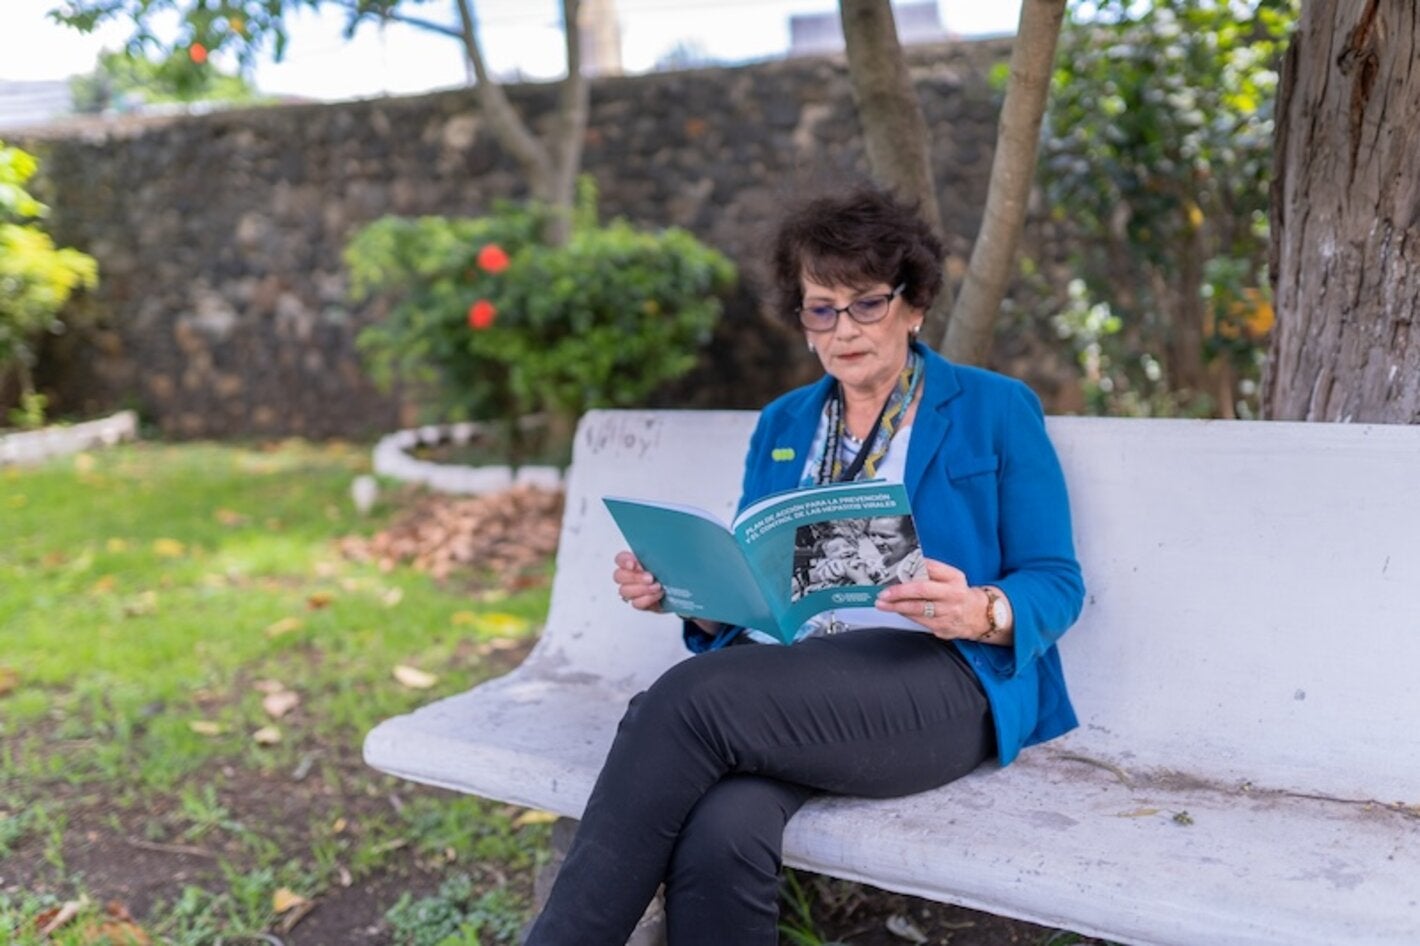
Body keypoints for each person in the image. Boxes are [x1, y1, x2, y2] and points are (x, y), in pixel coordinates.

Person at [524, 185, 1085, 946]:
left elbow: (1057, 580)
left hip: (942, 679)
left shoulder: (994, 408)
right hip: (799, 678)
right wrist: (688, 593)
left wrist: (985, 608)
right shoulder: (786, 421)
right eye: (821, 308)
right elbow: (757, 579)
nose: (843, 329)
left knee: (684, 704)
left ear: (914, 305)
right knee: (723, 827)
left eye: (866, 304)